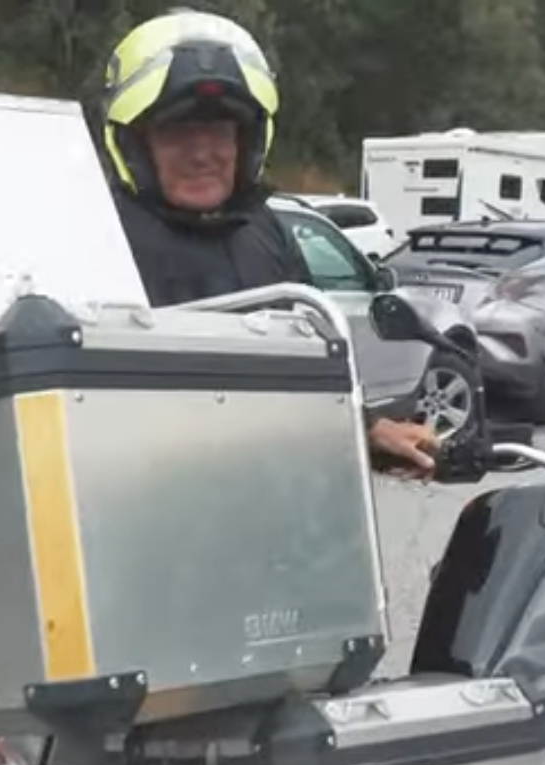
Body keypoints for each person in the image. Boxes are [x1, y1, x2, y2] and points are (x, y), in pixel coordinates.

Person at [99, 8, 442, 478]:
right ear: (136, 144)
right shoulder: (95, 239)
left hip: (268, 498)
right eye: (178, 131)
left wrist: (366, 431)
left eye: (219, 131)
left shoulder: (264, 232)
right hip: (139, 495)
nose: (202, 153)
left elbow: (304, 372)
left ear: (247, 143)